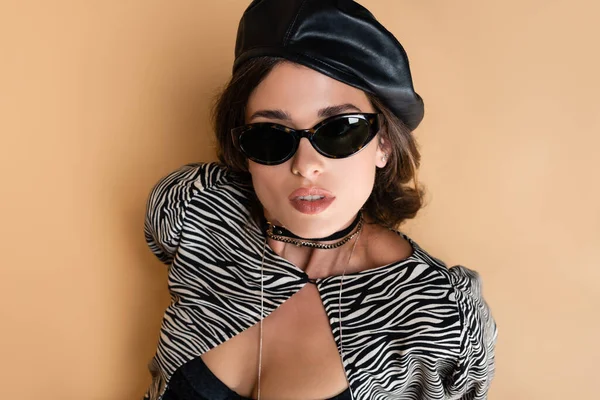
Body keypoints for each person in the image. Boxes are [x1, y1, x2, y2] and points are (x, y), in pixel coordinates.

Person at [142, 1, 498, 399]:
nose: (306, 166)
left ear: (383, 142)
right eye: (272, 134)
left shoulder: (440, 318)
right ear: (243, 146)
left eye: (339, 130)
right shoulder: (197, 212)